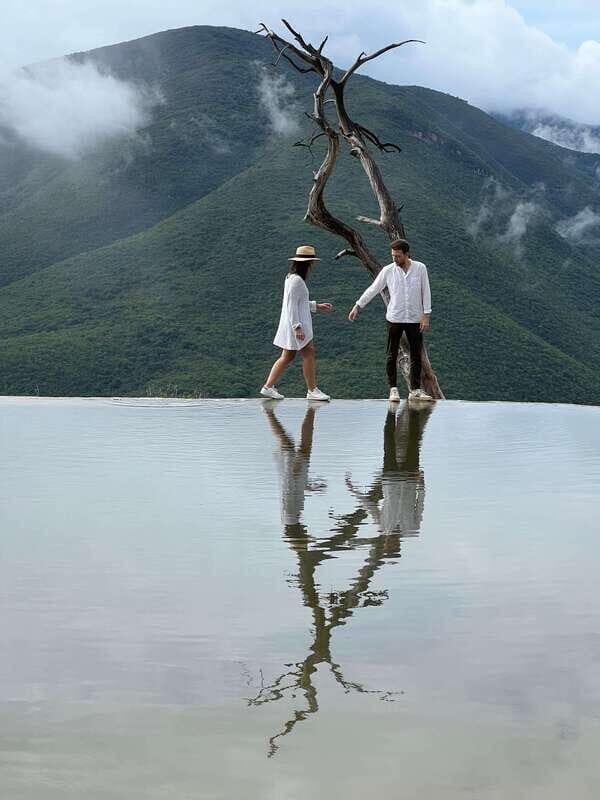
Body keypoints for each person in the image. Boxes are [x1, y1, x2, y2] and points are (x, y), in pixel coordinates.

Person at [348, 239, 433, 402]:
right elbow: (374, 289)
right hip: (395, 318)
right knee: (391, 354)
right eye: (393, 255)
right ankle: (393, 389)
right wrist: (358, 306)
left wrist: (426, 314)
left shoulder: (420, 268)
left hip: (415, 318)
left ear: (407, 254)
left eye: (398, 256)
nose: (395, 259)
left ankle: (415, 390)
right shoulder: (388, 270)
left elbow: (426, 291)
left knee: (416, 354)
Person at [261, 245, 332, 401]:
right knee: (309, 353)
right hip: (297, 324)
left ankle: (268, 387)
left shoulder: (290, 277)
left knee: (287, 356)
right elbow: (292, 305)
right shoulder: (297, 281)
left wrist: (316, 306)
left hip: (292, 323)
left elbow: (298, 302)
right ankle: (312, 390)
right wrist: (297, 327)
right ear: (308, 263)